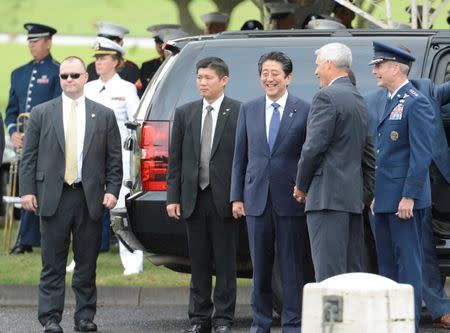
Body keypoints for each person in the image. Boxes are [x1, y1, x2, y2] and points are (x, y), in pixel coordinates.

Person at [19, 56, 122, 333]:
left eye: (74, 75)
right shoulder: (42, 113)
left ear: (85, 77)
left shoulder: (103, 115)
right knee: (52, 263)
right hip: (53, 196)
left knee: (87, 263)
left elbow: (114, 159)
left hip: (88, 197)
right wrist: (26, 191)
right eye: (64, 76)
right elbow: (28, 157)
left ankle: (84, 317)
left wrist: (112, 191)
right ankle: (50, 319)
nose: (69, 81)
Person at [364, 46, 450, 329]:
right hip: (385, 199)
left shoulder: (415, 101)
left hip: (405, 201)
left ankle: (407, 322)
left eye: (379, 65)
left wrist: (409, 196)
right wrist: (377, 195)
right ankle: (391, 320)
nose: (374, 70)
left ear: (396, 68)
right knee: (386, 262)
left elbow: (421, 154)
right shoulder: (389, 100)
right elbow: (383, 155)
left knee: (409, 264)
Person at [231, 51, 310, 333]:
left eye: (275, 73)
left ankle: (292, 323)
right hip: (256, 201)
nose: (269, 78)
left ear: (288, 78)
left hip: (290, 200)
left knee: (292, 267)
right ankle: (260, 323)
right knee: (260, 268)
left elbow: (307, 155)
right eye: (265, 73)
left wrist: (304, 188)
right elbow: (240, 156)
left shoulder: (304, 109)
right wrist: (236, 196)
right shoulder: (249, 109)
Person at [166, 57, 241, 333]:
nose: (202, 83)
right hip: (193, 198)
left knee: (224, 261)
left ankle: (223, 318)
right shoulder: (186, 113)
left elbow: (242, 160)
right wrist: (172, 197)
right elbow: (175, 161)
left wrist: (238, 197)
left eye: (208, 78)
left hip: (224, 199)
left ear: (224, 80)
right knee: (197, 262)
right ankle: (199, 318)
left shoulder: (237, 112)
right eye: (199, 77)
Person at [294, 42, 373, 282]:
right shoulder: (358, 98)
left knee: (328, 275)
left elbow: (313, 148)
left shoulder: (326, 97)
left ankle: (331, 321)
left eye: (317, 65)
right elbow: (369, 154)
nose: (316, 71)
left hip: (326, 200)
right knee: (351, 273)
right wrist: (365, 195)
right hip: (351, 201)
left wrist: (301, 185)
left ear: (328, 64)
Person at [84, 37, 142, 275]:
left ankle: (131, 261)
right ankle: (82, 258)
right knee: (85, 211)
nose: (99, 62)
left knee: (119, 212)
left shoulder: (126, 88)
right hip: (88, 158)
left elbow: (135, 123)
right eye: (97, 58)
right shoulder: (87, 88)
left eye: (104, 58)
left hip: (118, 159)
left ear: (117, 61)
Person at [5, 22, 61, 255]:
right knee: (25, 187)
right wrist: (13, 131)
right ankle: (26, 238)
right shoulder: (19, 73)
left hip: (45, 140)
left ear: (48, 43)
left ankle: (30, 238)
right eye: (29, 41)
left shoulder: (57, 71)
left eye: (36, 41)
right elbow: (11, 110)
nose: (31, 45)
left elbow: (58, 107)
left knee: (39, 187)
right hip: (23, 141)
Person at [86, 22, 140, 91]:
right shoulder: (91, 67)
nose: (104, 43)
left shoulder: (130, 68)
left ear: (121, 42)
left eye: (109, 41)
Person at [140, 24, 188, 95]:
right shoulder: (148, 66)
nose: (160, 47)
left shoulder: (189, 67)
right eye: (157, 42)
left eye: (169, 48)